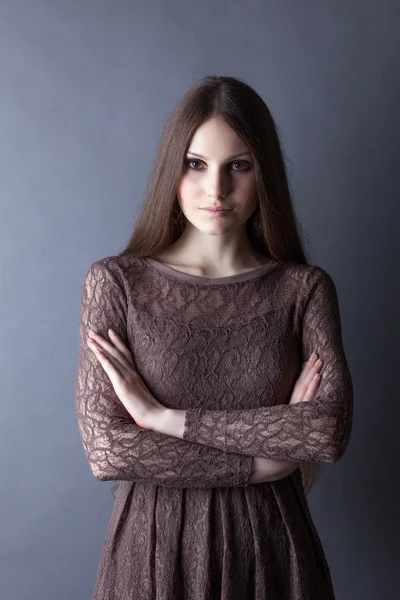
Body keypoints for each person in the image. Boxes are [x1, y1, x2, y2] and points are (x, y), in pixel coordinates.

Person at [75, 75, 354, 600]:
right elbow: (108, 450)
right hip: (152, 551)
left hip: (273, 550)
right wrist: (267, 459)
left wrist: (164, 421)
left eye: (239, 166)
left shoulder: (304, 290)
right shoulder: (116, 283)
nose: (216, 189)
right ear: (171, 170)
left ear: (264, 173)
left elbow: (325, 431)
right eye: (196, 164)